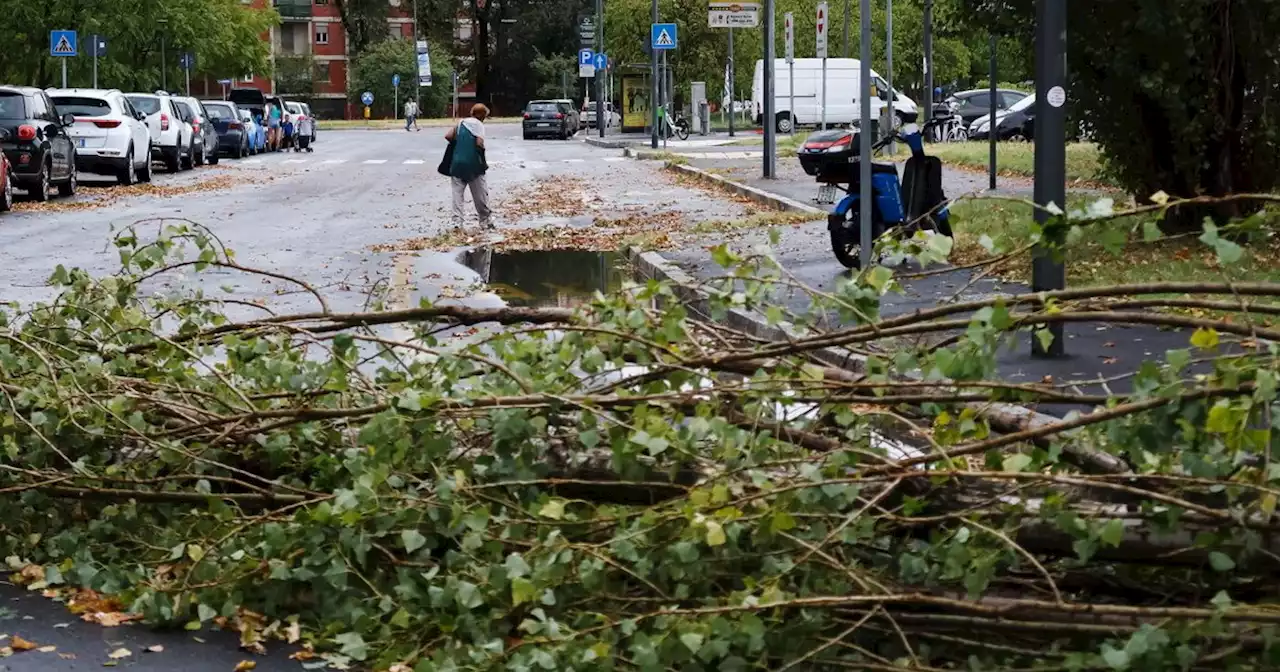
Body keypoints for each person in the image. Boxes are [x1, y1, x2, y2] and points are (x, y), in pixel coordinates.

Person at [444, 103, 491, 230]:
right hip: (473, 164)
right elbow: (479, 143)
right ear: (483, 116)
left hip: (457, 163)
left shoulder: (461, 122)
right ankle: (484, 220)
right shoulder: (479, 125)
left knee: (457, 194)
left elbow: (448, 136)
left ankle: (456, 222)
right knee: (480, 193)